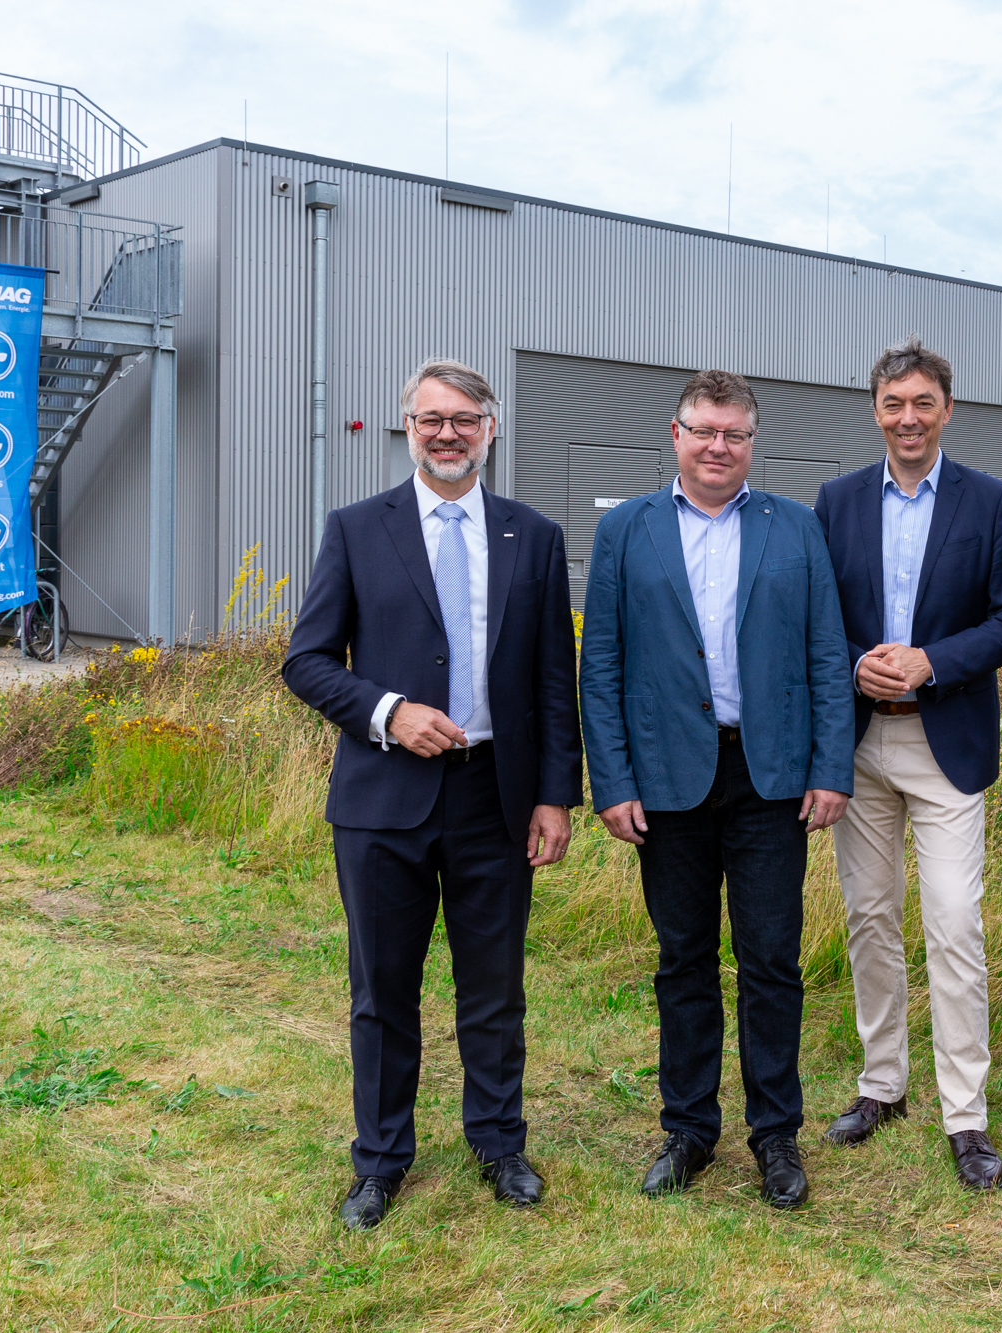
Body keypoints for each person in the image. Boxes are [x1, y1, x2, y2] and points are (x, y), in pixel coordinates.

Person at [283, 358, 582, 1230]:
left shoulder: (534, 535)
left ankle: (499, 1143)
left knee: (494, 987)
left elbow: (552, 679)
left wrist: (555, 795)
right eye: (431, 418)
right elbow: (306, 661)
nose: (447, 433)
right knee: (383, 990)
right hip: (383, 798)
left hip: (496, 796)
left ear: (491, 428)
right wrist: (388, 711)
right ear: (407, 427)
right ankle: (380, 1160)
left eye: (464, 418)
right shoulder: (355, 529)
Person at [579, 369, 854, 1210]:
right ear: (676, 434)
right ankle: (689, 1129)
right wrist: (612, 778)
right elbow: (602, 665)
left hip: (770, 777)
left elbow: (826, 656)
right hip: (667, 778)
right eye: (703, 430)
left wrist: (831, 767)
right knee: (684, 959)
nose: (717, 446)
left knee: (771, 960)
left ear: (751, 441)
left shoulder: (794, 527)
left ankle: (776, 1134)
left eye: (733, 433)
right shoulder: (626, 530)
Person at [811, 337, 1002, 1190]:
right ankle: (882, 1085)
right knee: (869, 916)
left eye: (923, 403)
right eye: (894, 403)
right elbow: (814, 615)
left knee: (953, 921)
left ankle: (965, 1113)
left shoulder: (990, 500)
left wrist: (932, 660)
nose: (909, 418)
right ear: (876, 410)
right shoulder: (836, 500)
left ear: (947, 409)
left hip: (947, 741)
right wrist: (857, 661)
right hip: (861, 741)